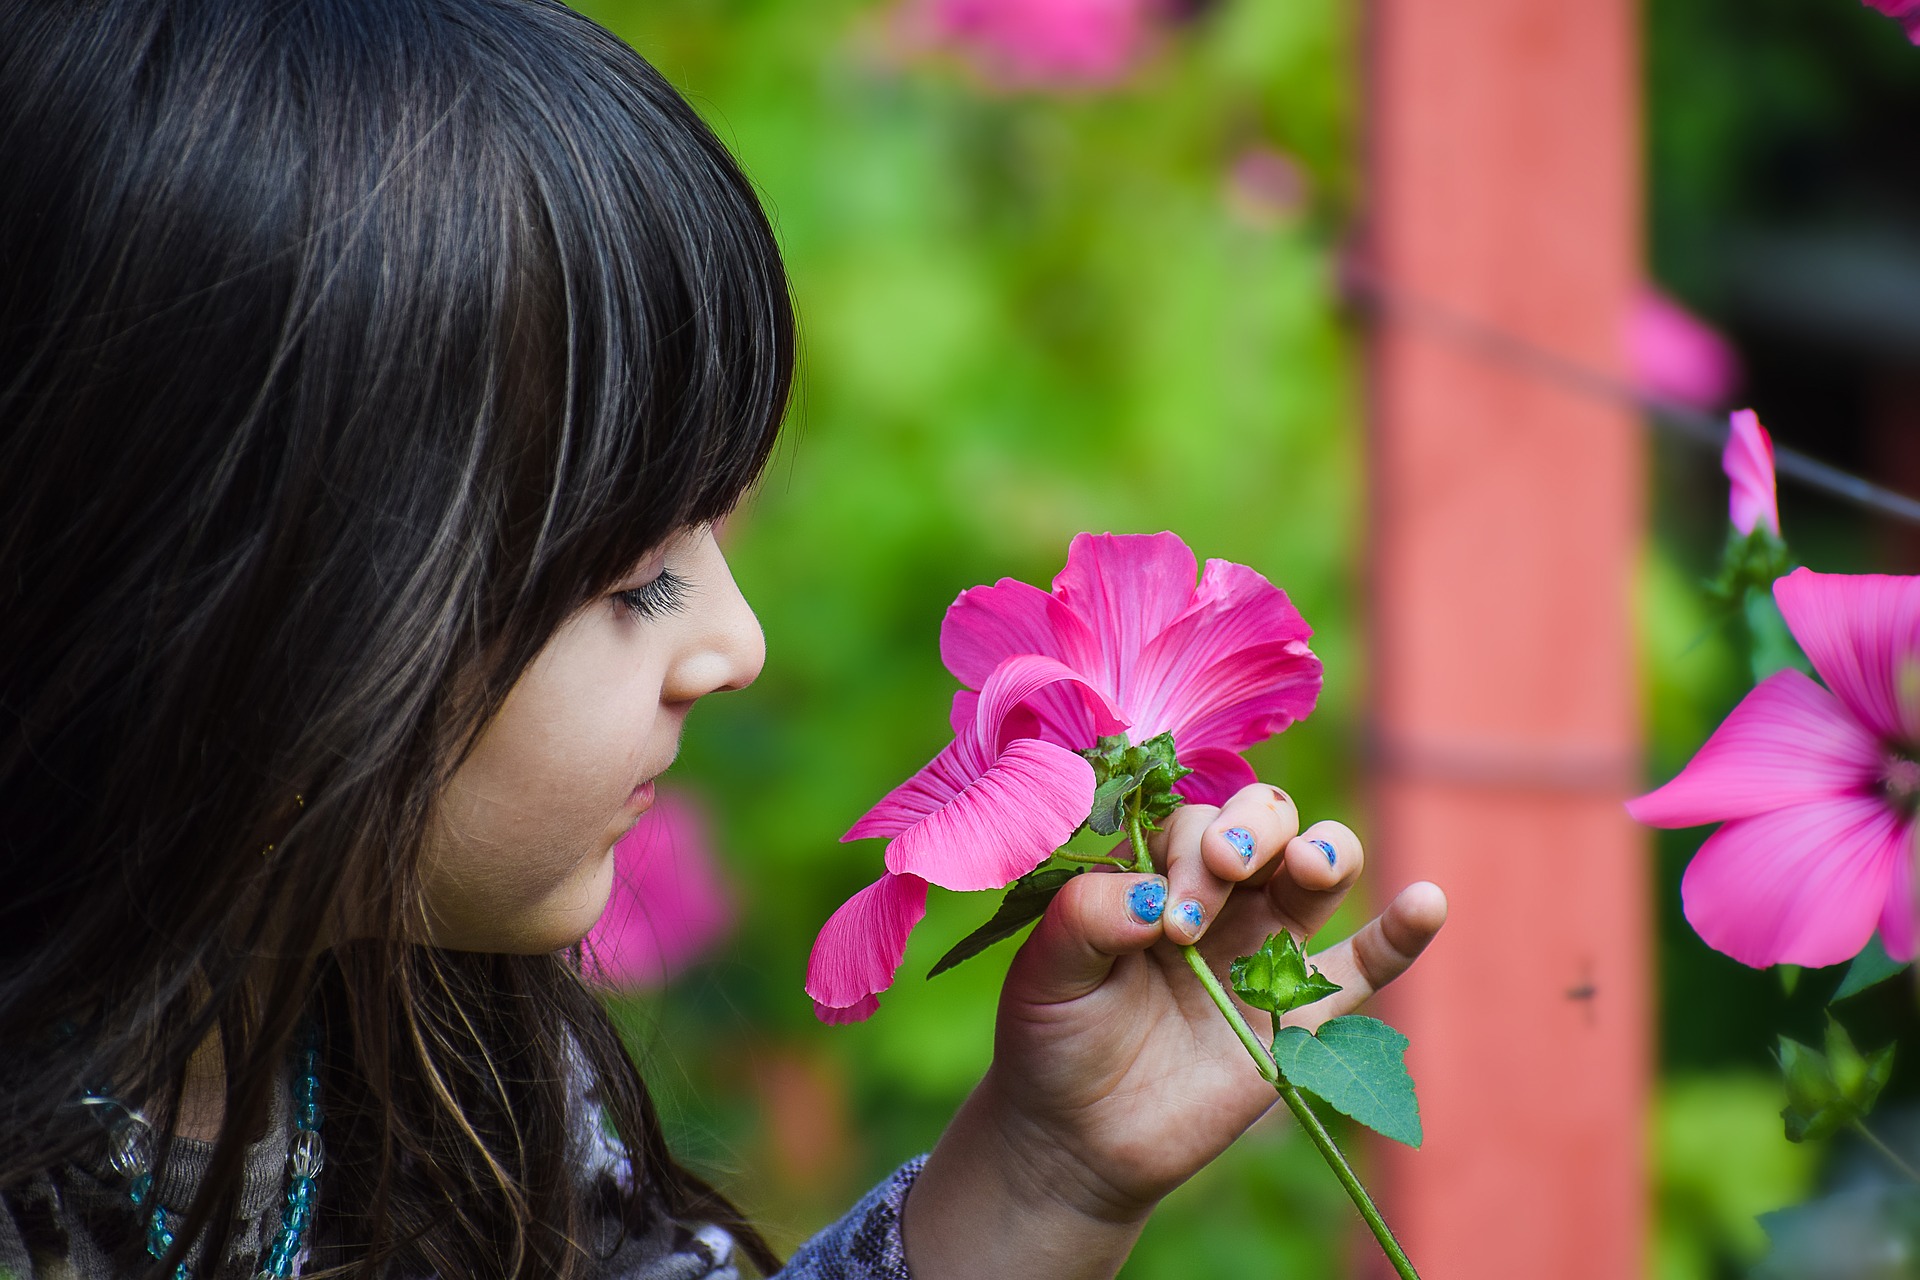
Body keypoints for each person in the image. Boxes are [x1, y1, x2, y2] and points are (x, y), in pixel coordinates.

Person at [0, 1, 1448, 1276]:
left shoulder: (460, 1076)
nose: (736, 643)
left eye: (715, 540)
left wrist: (1040, 1184)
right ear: (222, 595)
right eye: (633, 581)